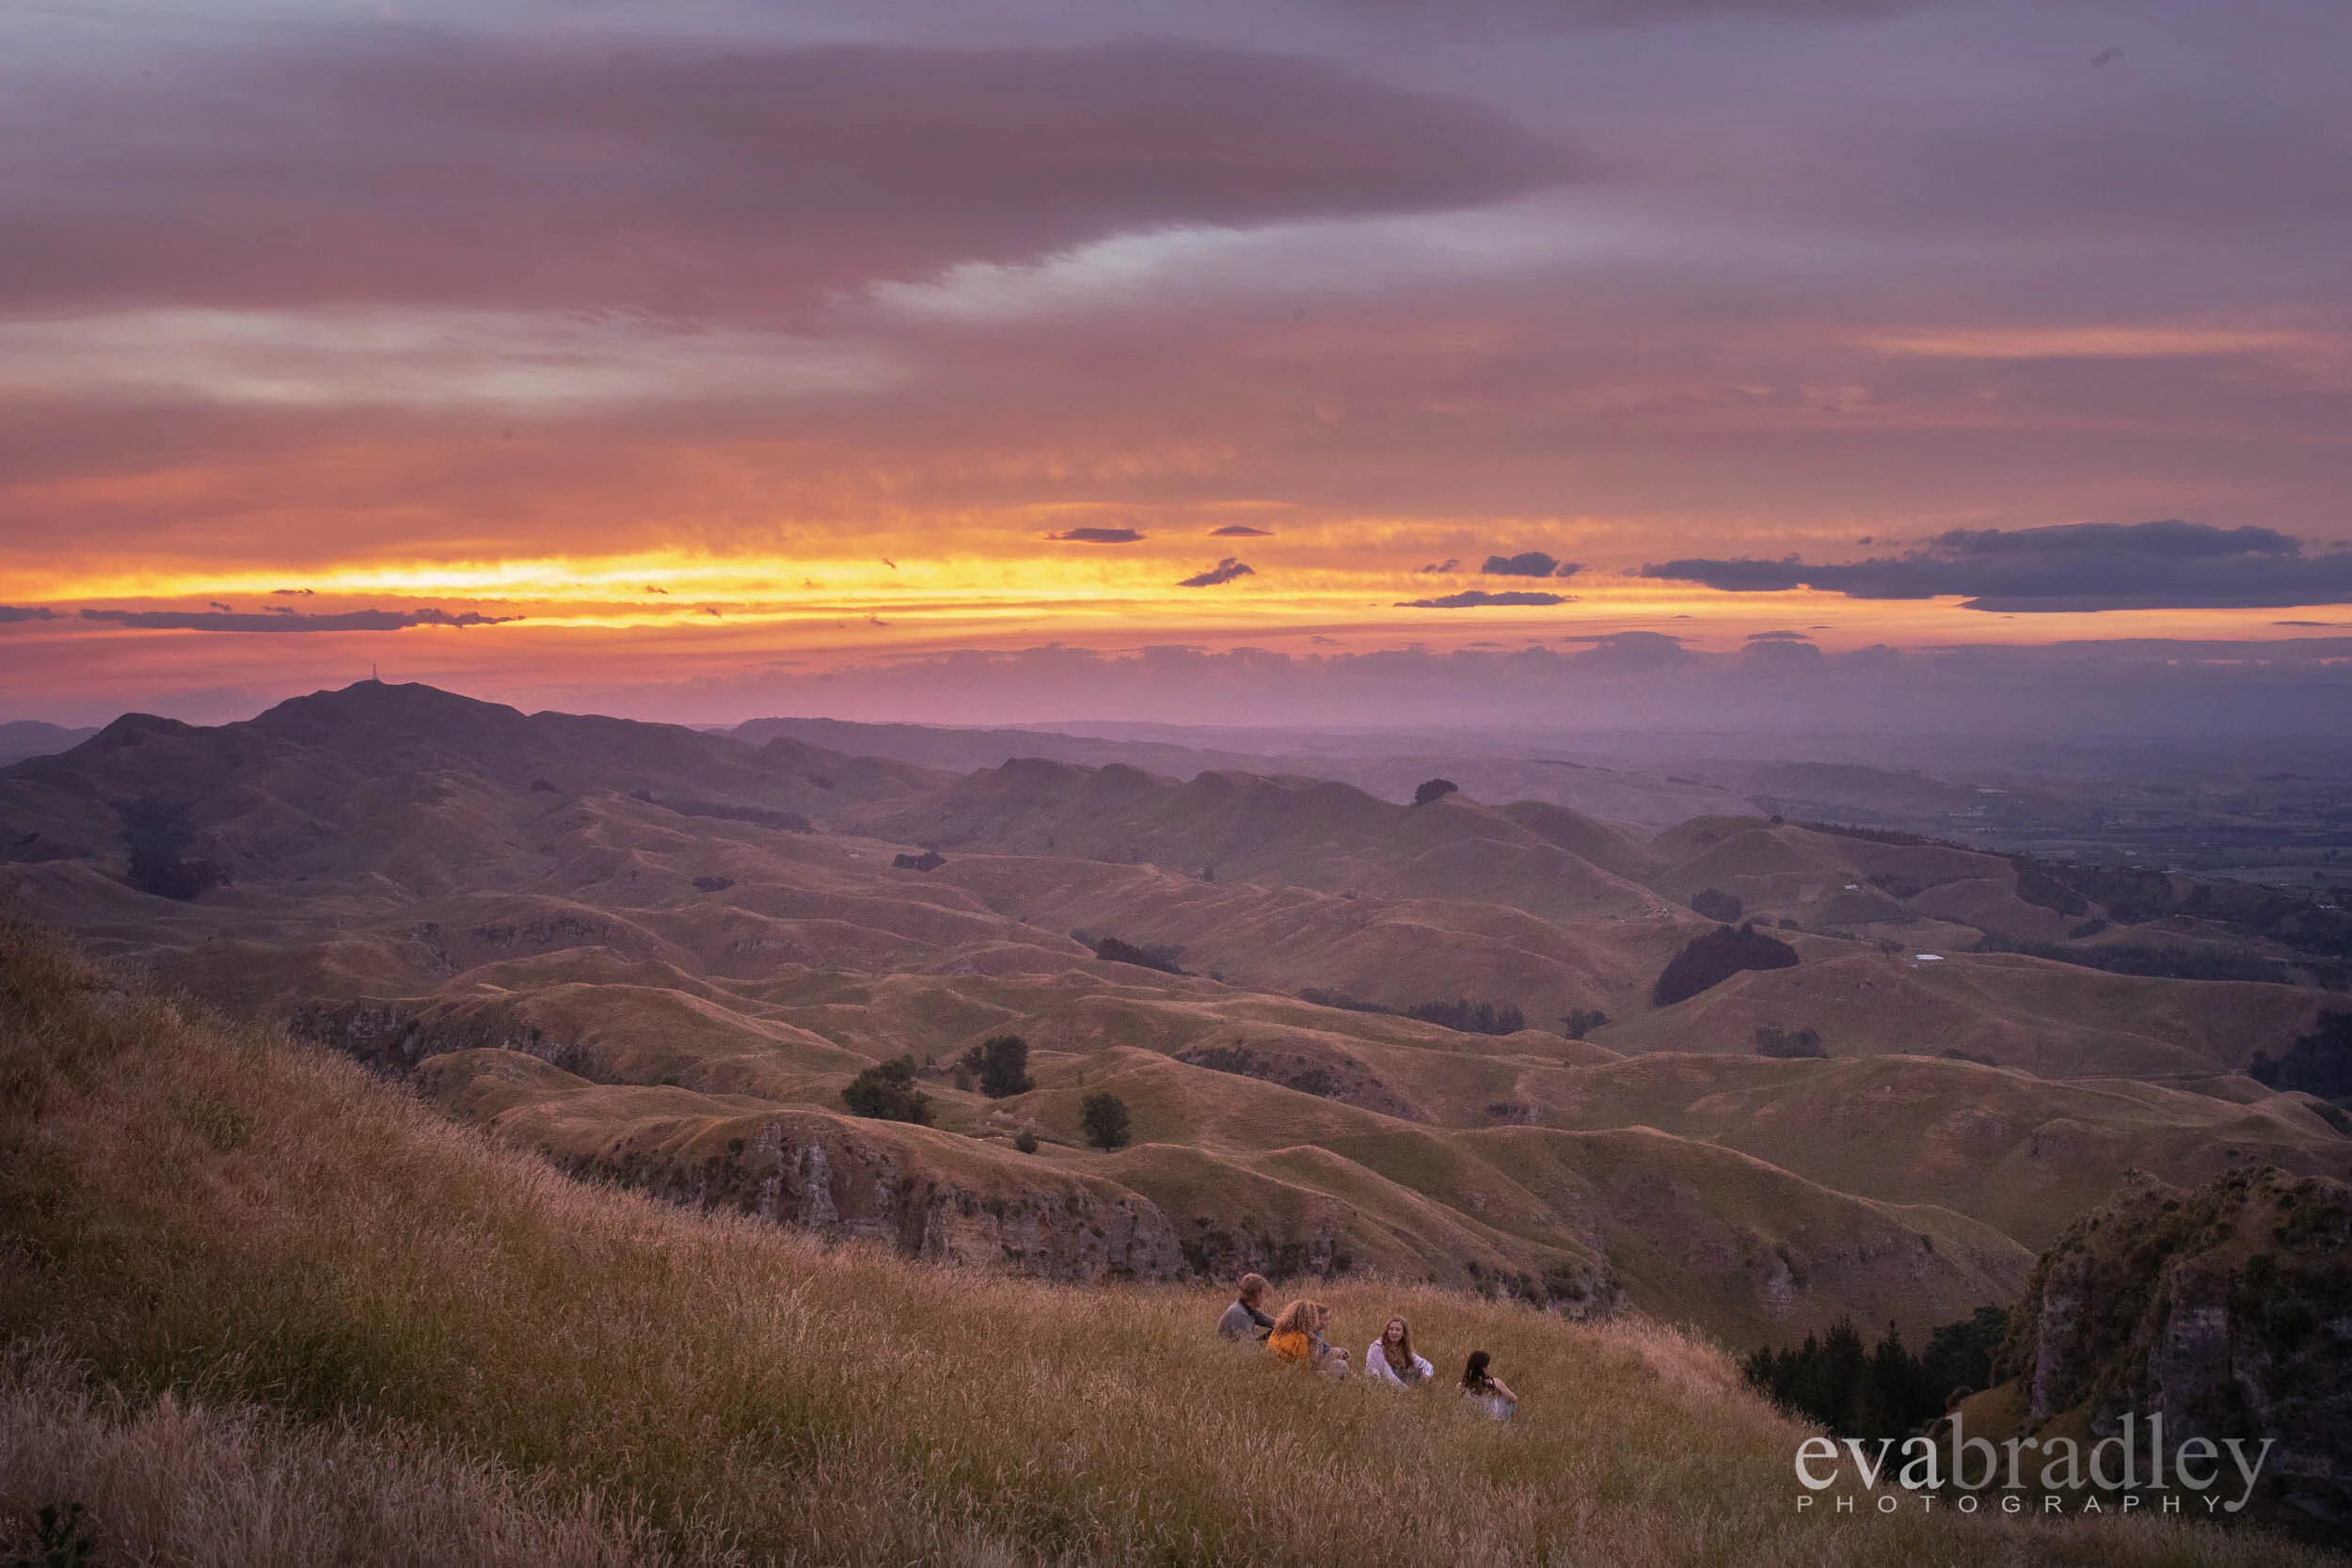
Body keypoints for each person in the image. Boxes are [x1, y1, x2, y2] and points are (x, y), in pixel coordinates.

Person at [1365, 1316, 1434, 1386]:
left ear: (1403, 1334)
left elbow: (1427, 1365)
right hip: (1380, 1384)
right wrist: (1407, 1392)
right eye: (1391, 1329)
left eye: (1398, 1330)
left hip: (1396, 1383)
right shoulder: (1377, 1347)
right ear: (1387, 1331)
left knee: (1420, 1375)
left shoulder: (1402, 1349)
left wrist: (1426, 1375)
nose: (1394, 1332)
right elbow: (1388, 1375)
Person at [1460, 1350, 1518, 1420]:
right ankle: (1504, 1421)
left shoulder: (1461, 1386)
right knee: (1509, 1401)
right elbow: (1514, 1399)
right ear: (1484, 1369)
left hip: (1470, 1419)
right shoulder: (1495, 1382)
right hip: (1492, 1419)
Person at [1216, 1274, 1275, 1341]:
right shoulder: (1238, 1313)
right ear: (1257, 1295)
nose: (1263, 1296)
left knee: (1278, 1333)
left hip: (1242, 1348)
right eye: (1262, 1292)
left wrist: (1287, 1325)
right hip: (1232, 1351)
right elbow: (1249, 1347)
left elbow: (1275, 1324)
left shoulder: (1248, 1309)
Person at [1264, 1298, 1321, 1365]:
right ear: (1311, 1319)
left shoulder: (1277, 1332)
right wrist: (1314, 1345)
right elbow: (1305, 1366)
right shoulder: (1301, 1339)